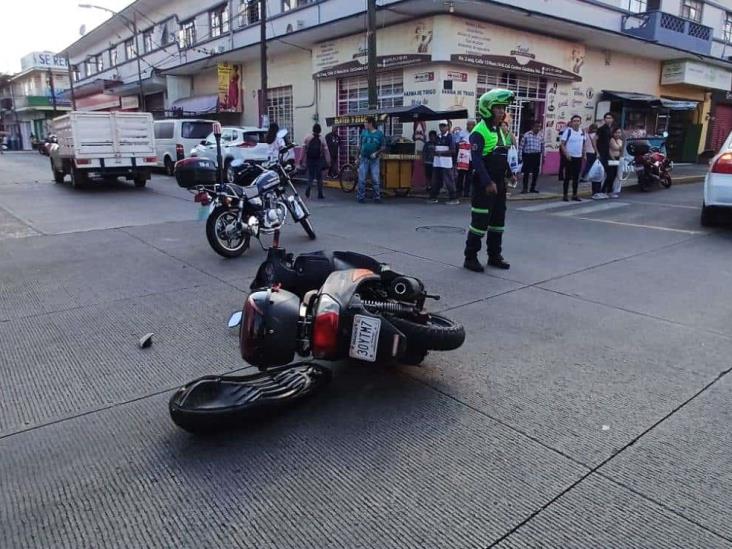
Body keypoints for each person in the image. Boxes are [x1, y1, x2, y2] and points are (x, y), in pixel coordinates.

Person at [463, 89, 515, 272]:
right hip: (484, 185)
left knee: (498, 222)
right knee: (479, 222)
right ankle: (470, 258)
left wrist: (510, 173)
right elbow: (476, 160)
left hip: (499, 184)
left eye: (503, 108)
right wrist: (487, 182)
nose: (501, 111)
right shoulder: (479, 131)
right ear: (487, 108)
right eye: (498, 108)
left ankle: (494, 256)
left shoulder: (500, 130)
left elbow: (501, 154)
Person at [429, 120, 459, 204]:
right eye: (441, 126)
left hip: (446, 162)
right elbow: (435, 147)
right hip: (437, 162)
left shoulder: (450, 137)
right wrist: (434, 151)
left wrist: (441, 153)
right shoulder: (438, 137)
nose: (442, 128)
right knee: (435, 180)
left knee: (449, 180)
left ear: (447, 127)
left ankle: (453, 198)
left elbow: (453, 150)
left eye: (444, 126)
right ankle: (433, 197)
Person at [357, 116, 385, 203]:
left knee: (375, 179)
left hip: (374, 160)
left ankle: (377, 197)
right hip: (364, 159)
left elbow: (383, 147)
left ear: (370, 123)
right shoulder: (363, 133)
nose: (364, 124)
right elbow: (360, 146)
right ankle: (361, 197)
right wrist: (357, 156)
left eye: (366, 122)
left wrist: (376, 153)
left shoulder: (379, 134)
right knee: (361, 179)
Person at [300, 123, 331, 199]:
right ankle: (320, 194)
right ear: (320, 130)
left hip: (309, 160)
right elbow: (326, 151)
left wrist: (300, 159)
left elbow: (303, 149)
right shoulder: (322, 139)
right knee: (319, 177)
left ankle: (308, 189)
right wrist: (328, 161)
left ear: (313, 129)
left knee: (311, 176)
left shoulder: (307, 137)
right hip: (318, 160)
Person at [559, 115, 586, 202]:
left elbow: (584, 144)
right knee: (567, 177)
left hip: (578, 157)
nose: (576, 122)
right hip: (569, 157)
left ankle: (575, 194)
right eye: (574, 121)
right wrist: (566, 154)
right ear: (571, 122)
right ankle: (565, 195)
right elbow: (562, 144)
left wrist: (584, 154)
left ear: (580, 122)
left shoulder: (582, 132)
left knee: (576, 177)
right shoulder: (568, 131)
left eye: (578, 121)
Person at [519, 120, 544, 194]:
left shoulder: (541, 135)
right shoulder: (526, 135)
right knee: (526, 172)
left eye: (539, 127)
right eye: (536, 126)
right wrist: (520, 157)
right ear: (533, 127)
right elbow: (521, 147)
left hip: (536, 155)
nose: (538, 128)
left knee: (535, 173)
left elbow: (542, 145)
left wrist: (543, 155)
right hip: (528, 155)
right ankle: (525, 188)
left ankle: (533, 188)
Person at [596, 112, 616, 199]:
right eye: (606, 118)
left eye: (610, 118)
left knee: (612, 172)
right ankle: (600, 191)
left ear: (613, 119)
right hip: (603, 154)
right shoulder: (601, 129)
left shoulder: (611, 129)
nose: (608, 119)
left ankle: (608, 190)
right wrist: (597, 152)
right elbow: (594, 140)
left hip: (610, 154)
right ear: (604, 119)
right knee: (603, 173)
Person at [604, 127, 624, 199]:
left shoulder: (619, 140)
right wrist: (620, 146)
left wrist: (620, 146)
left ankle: (609, 191)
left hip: (617, 158)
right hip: (612, 158)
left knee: (614, 175)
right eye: (616, 132)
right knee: (610, 176)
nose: (618, 134)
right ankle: (606, 190)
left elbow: (621, 148)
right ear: (613, 133)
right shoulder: (611, 140)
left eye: (619, 132)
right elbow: (616, 147)